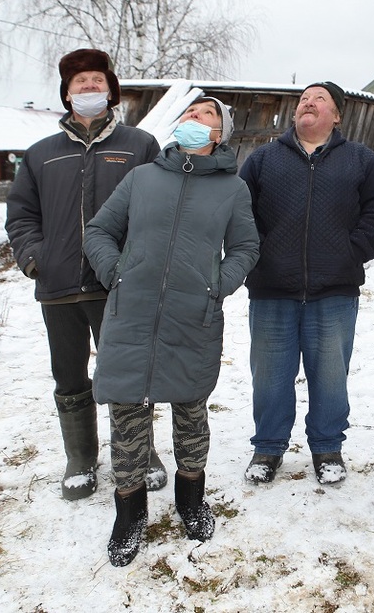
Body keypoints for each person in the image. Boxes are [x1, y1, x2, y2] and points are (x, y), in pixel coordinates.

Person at [84, 96, 260, 567]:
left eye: (205, 114)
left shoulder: (232, 189)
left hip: (192, 315)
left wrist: (216, 285)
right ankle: (129, 515)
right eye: (189, 112)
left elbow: (246, 246)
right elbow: (98, 231)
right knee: (126, 414)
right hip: (132, 312)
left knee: (190, 410)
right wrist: (115, 273)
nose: (193, 117)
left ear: (219, 133)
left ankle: (191, 500)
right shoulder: (142, 177)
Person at [6, 48, 166, 502]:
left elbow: (157, 209)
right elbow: (21, 214)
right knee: (69, 377)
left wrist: (138, 264)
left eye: (98, 80)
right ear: (67, 94)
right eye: (81, 82)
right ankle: (80, 459)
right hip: (58, 287)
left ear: (111, 91)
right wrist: (35, 258)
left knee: (128, 374)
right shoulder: (41, 154)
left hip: (118, 285)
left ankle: (139, 453)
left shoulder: (139, 145)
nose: (89, 87)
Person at [239, 81, 374, 485]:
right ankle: (268, 448)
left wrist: (353, 250)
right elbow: (241, 211)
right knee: (270, 376)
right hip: (272, 287)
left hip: (334, 289)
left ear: (336, 115)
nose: (308, 103)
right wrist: (260, 253)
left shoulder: (359, 159)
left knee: (330, 375)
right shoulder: (264, 159)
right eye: (303, 99)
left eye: (318, 99)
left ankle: (328, 448)